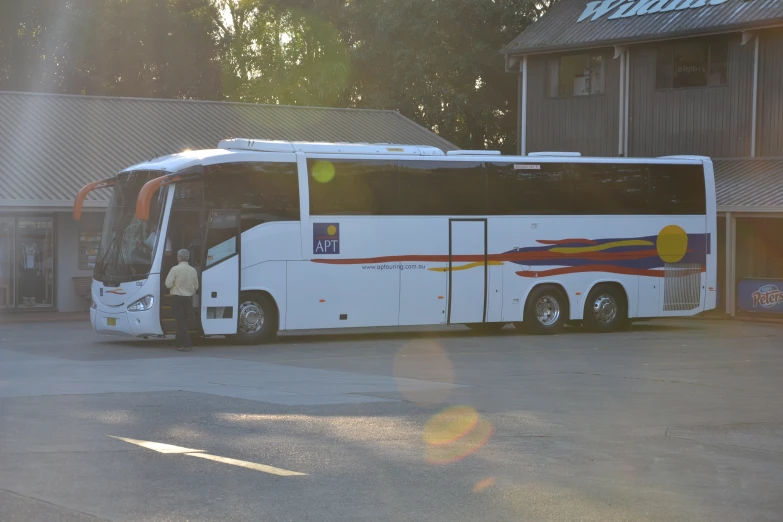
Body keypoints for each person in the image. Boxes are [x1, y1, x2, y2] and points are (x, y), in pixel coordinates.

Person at [165, 249, 199, 352]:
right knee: (183, 321)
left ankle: (186, 344)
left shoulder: (175, 269)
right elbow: (196, 286)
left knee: (179, 322)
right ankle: (178, 343)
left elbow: (168, 284)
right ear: (188, 258)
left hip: (176, 298)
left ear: (178, 257)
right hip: (187, 299)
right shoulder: (193, 270)